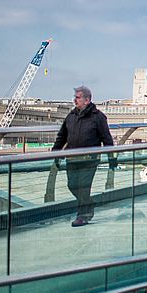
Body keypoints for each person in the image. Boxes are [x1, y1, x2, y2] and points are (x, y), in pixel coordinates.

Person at [52, 85, 116, 227]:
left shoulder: (98, 117)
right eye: (74, 97)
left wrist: (112, 158)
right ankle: (89, 205)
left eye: (78, 97)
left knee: (83, 187)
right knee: (72, 185)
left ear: (87, 100)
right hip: (72, 158)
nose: (75, 100)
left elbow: (107, 139)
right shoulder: (71, 116)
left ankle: (82, 215)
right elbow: (62, 136)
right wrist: (55, 154)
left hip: (90, 160)